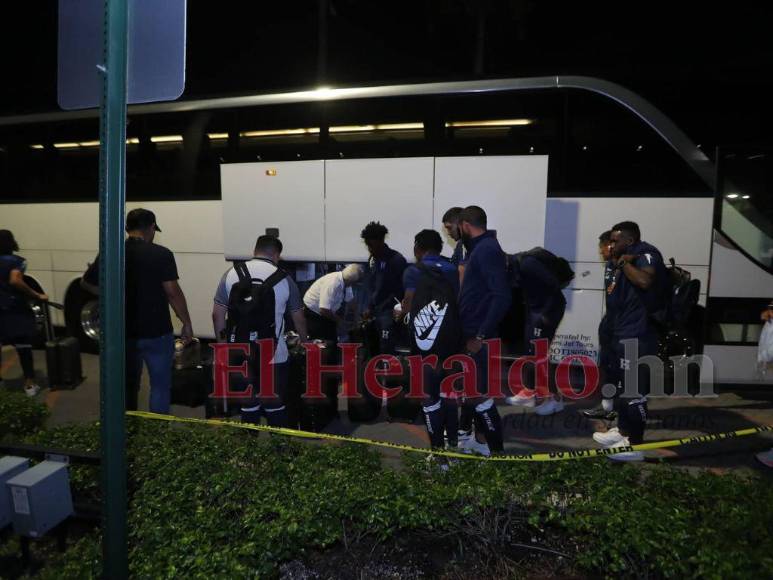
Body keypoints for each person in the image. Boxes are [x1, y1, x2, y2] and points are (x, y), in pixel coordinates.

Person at [82, 208, 193, 413]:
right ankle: (156, 434)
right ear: (151, 228)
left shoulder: (111, 252)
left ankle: (129, 430)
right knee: (160, 387)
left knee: (129, 386)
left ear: (127, 229)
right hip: (157, 331)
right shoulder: (161, 254)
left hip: (124, 332)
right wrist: (186, 322)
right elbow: (172, 292)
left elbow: (87, 283)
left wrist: (111, 293)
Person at [212, 235, 308, 427]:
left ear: (254, 250)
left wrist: (223, 346)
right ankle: (280, 451)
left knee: (248, 405)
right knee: (275, 405)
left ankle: (248, 452)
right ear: (276, 255)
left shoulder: (231, 274)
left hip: (240, 353)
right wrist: (304, 341)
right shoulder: (285, 279)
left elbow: (217, 315)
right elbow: (299, 319)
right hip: (274, 354)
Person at [591, 221, 667, 461]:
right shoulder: (619, 260)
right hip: (620, 332)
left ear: (629, 240)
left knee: (635, 391)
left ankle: (635, 446)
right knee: (625, 388)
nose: (611, 245)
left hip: (638, 334)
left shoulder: (645, 254)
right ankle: (623, 432)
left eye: (615, 240)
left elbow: (645, 281)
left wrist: (624, 263)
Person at [456, 206, 511, 455]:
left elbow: (501, 296)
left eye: (457, 226)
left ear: (466, 225)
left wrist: (480, 335)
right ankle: (481, 442)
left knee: (480, 397)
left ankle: (497, 453)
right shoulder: (481, 249)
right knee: (473, 394)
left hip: (479, 337)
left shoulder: (487, 250)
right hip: (473, 333)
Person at [400, 229, 460, 450]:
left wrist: (402, 312)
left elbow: (408, 302)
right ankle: (453, 446)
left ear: (418, 248)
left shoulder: (413, 271)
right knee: (449, 393)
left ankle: (438, 455)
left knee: (429, 398)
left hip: (425, 342)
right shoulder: (452, 269)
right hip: (452, 339)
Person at [505, 249, 568, 415]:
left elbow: (554, 285)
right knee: (530, 352)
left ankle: (556, 399)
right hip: (535, 309)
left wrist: (546, 314)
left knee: (539, 356)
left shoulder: (527, 264)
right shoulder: (515, 267)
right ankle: (529, 391)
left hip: (546, 311)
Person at [0, 230, 46, 396]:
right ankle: (29, 385)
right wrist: (36, 295)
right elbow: (15, 280)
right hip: (14, 309)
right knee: (23, 347)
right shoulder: (17, 261)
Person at [583, 230, 618, 420]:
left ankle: (617, 410)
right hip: (610, 323)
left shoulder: (625, 267)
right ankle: (607, 406)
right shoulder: (611, 266)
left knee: (617, 368)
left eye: (602, 248)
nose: (601, 252)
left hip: (620, 327)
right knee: (607, 366)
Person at [360, 221, 407, 355]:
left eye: (372, 245)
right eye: (367, 245)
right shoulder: (373, 259)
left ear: (381, 241)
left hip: (388, 312)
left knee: (386, 348)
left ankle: (387, 374)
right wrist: (367, 306)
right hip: (374, 311)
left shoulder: (396, 260)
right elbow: (370, 286)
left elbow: (401, 290)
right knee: (372, 348)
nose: (369, 248)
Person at [303, 264, 363, 341]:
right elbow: (323, 309)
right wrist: (340, 321)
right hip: (314, 312)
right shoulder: (332, 283)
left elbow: (351, 301)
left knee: (332, 337)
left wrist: (356, 318)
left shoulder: (346, 281)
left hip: (327, 310)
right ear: (351, 282)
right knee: (326, 341)